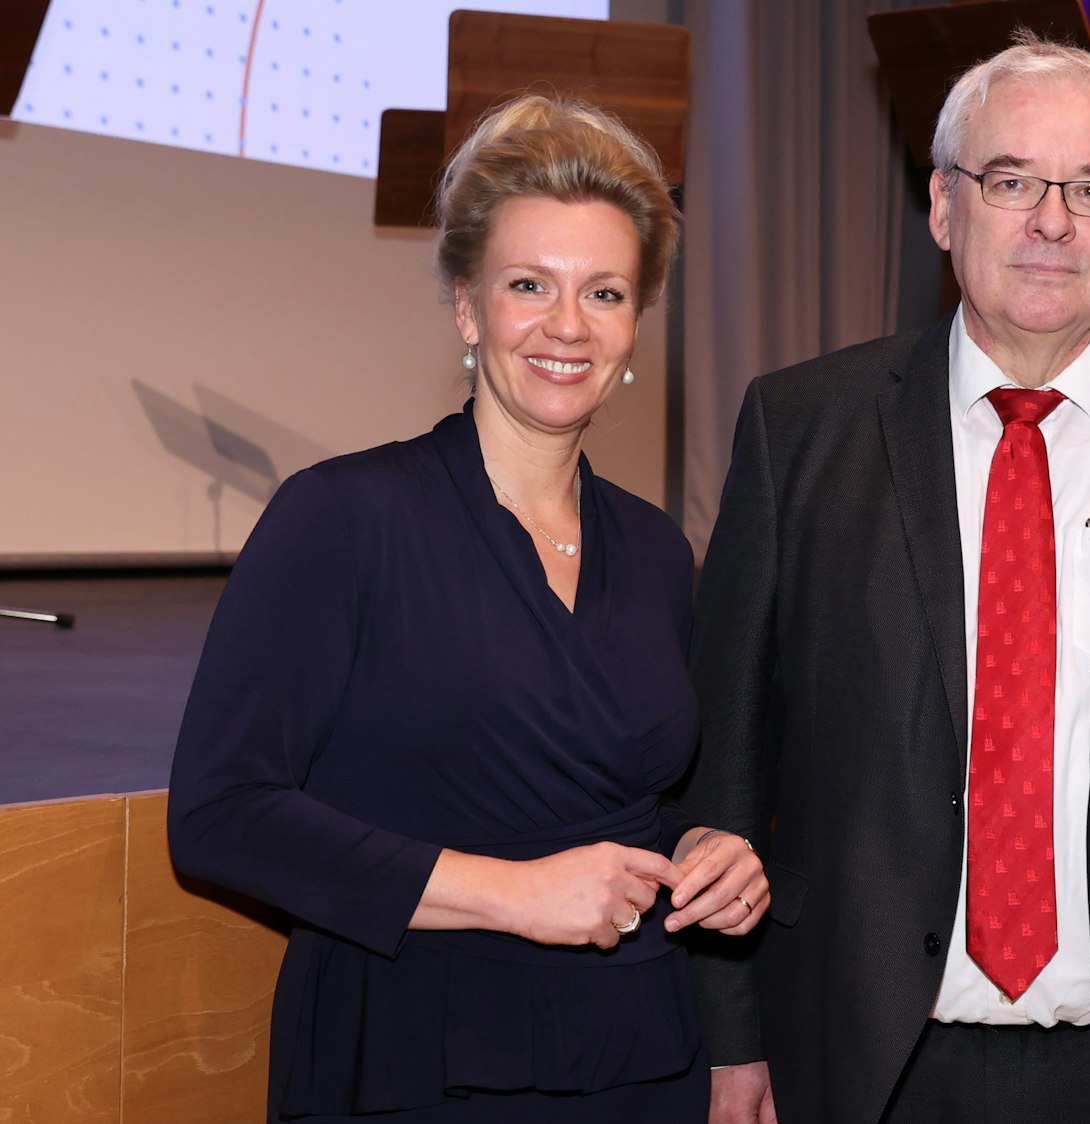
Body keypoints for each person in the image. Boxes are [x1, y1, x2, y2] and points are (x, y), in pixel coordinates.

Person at [682, 34, 1090, 1124]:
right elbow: (726, 760)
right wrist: (730, 1038)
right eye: (1012, 181)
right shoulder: (800, 427)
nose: (1052, 220)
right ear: (945, 207)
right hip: (858, 1059)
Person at [168, 96, 766, 1123]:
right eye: (529, 284)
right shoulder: (342, 517)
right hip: (413, 1055)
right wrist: (514, 890)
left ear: (633, 325)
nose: (567, 325)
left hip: (636, 1055)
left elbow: (629, 793)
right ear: (465, 303)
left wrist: (713, 852)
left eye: (605, 292)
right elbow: (221, 816)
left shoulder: (661, 549)